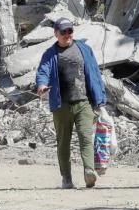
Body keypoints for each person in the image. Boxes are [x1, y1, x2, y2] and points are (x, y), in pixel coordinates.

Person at [35, 18, 107, 189]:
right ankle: (66, 178)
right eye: (63, 32)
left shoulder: (84, 49)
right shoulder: (50, 54)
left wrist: (100, 99)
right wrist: (42, 85)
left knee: (85, 137)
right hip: (62, 105)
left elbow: (95, 74)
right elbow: (43, 72)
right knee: (63, 142)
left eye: (70, 31)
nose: (67, 35)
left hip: (83, 102)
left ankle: (89, 171)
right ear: (56, 34)